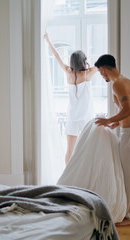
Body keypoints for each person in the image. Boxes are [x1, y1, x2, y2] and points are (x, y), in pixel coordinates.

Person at [94, 54, 130, 226]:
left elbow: (129, 110)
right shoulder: (125, 81)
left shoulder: (118, 84)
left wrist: (108, 120)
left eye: (100, 72)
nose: (101, 76)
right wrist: (117, 122)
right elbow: (125, 110)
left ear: (103, 69)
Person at [44, 33, 98, 164]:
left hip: (72, 116)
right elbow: (102, 63)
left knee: (69, 150)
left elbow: (57, 56)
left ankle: (67, 177)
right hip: (86, 116)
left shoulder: (68, 72)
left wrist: (48, 40)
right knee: (88, 149)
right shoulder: (88, 73)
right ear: (83, 61)